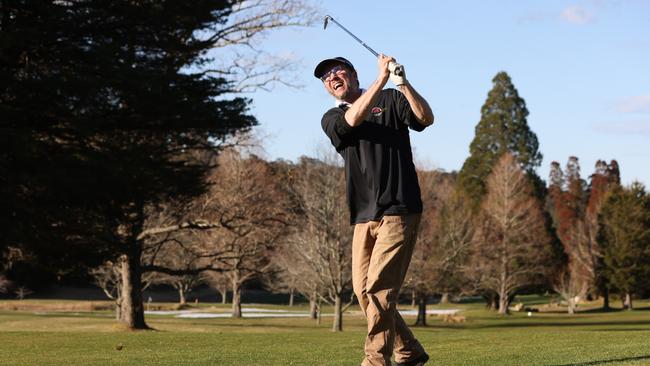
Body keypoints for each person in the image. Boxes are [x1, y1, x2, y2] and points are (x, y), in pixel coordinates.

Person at [314, 54, 434, 366]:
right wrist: (380, 78)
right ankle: (409, 351)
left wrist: (402, 83)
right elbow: (351, 121)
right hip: (363, 216)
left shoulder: (391, 99)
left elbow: (426, 118)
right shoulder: (331, 118)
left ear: (353, 74)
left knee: (380, 289)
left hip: (399, 208)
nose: (331, 78)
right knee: (363, 291)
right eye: (326, 77)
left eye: (336, 71)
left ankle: (376, 360)